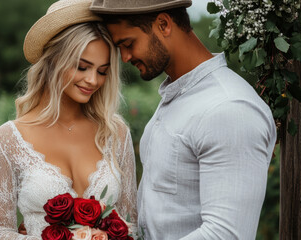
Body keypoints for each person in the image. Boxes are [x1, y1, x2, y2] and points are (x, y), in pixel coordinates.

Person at [90, 0, 277, 239]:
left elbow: (225, 234)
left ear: (164, 24)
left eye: (128, 44)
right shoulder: (182, 95)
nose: (125, 57)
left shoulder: (228, 108)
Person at [0, 0, 138, 239]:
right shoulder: (6, 141)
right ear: (54, 59)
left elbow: (131, 224)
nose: (93, 80)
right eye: (82, 67)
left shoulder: (116, 133)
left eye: (102, 71)